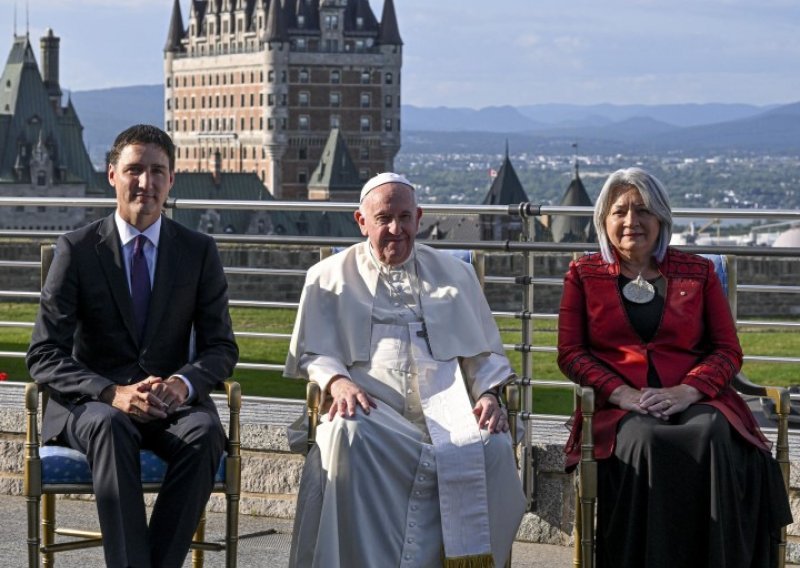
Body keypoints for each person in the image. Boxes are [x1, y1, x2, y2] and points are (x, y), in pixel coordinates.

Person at [284, 172, 525, 567]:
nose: (396, 229)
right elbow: (315, 352)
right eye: (383, 219)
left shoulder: (457, 275)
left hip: (450, 414)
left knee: (494, 446)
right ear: (361, 221)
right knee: (345, 433)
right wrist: (338, 380)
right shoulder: (328, 276)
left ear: (419, 217)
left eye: (405, 217)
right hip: (375, 414)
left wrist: (488, 394)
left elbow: (483, 356)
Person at [26, 124, 239, 568]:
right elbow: (43, 354)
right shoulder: (77, 249)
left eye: (158, 171)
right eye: (134, 170)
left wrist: (183, 384)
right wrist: (111, 392)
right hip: (94, 405)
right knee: (111, 425)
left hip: (169, 404)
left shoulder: (199, 251)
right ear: (112, 176)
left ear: (172, 179)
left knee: (205, 433)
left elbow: (221, 347)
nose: (146, 182)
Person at [558, 167, 792, 568]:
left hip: (694, 396)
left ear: (662, 218)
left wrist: (688, 390)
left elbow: (727, 350)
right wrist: (623, 393)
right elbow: (571, 353)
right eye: (620, 211)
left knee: (712, 431)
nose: (632, 221)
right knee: (646, 440)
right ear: (604, 220)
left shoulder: (698, 272)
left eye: (643, 210)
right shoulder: (583, 274)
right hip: (619, 406)